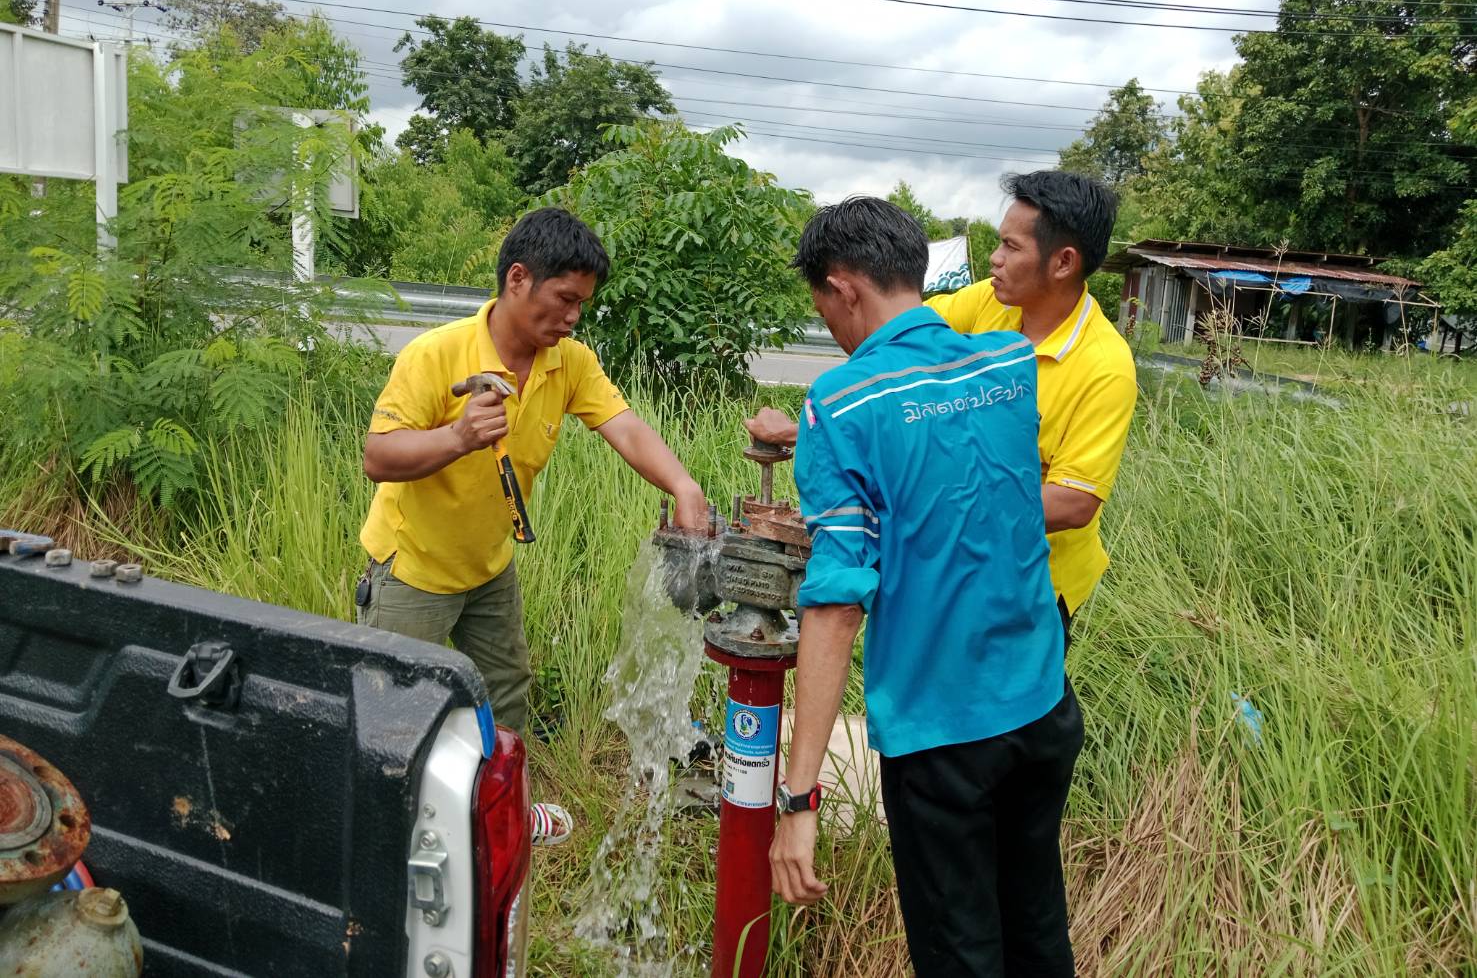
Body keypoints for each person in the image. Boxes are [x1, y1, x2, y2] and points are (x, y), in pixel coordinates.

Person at [768, 197, 1082, 976]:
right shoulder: (1007, 368)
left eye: (824, 310)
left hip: (942, 739)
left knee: (961, 954)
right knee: (1036, 931)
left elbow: (836, 604)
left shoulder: (837, 404)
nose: (833, 333)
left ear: (843, 289)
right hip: (1042, 706)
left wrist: (798, 801)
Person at [358, 206, 708, 741]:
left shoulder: (567, 362)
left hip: (489, 568)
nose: (573, 317)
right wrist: (457, 438)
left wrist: (684, 486)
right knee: (398, 718)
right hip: (414, 570)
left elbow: (627, 428)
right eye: (565, 299)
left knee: (506, 692)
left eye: (581, 305)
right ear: (518, 279)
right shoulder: (434, 355)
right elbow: (378, 458)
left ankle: (498, 815)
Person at [749, 170, 1135, 636]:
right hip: (948, 560)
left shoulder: (1104, 366)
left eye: (1011, 248)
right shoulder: (990, 303)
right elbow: (899, 349)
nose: (994, 259)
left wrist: (920, 508)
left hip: (1029, 581)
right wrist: (814, 430)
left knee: (1008, 700)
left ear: (1063, 262)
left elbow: (1073, 503)